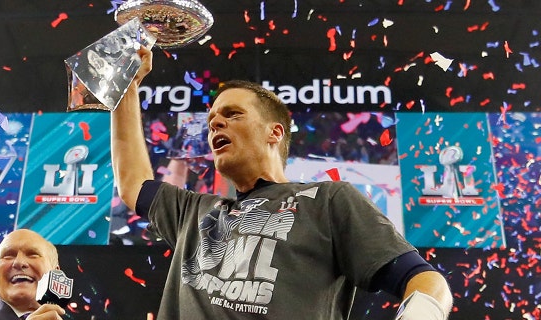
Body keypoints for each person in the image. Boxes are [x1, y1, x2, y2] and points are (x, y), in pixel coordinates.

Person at [110, 46, 453, 320]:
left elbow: (426, 281)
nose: (216, 124)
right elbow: (133, 183)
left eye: (232, 115)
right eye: (213, 121)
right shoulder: (194, 211)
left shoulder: (329, 200)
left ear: (274, 132)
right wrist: (127, 87)